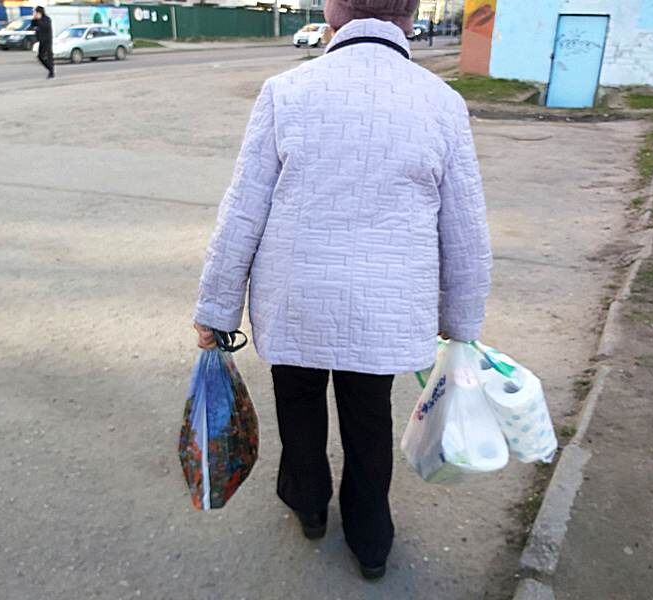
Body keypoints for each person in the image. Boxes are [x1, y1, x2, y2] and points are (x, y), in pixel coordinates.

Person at [193, 0, 491, 581]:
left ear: (332, 15)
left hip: (295, 299)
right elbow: (465, 230)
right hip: (384, 309)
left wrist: (216, 310)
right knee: (369, 418)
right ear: (409, 19)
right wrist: (462, 322)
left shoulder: (286, 91)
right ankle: (371, 539)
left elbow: (243, 211)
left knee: (298, 405)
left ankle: (308, 505)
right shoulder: (441, 103)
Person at [30, 6, 54, 79]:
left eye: (35, 12)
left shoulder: (47, 19)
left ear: (39, 12)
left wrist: (39, 19)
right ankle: (50, 69)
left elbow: (44, 26)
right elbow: (32, 26)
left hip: (47, 41)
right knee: (40, 57)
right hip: (41, 41)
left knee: (49, 56)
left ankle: (51, 72)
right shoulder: (36, 19)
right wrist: (34, 19)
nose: (34, 13)